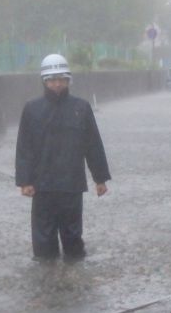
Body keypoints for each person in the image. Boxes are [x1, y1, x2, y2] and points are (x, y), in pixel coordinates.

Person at [16, 54, 111, 262]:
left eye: (61, 79)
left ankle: (74, 273)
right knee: (43, 241)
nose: (57, 84)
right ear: (44, 81)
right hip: (42, 185)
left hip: (72, 184)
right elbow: (24, 148)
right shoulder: (32, 109)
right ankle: (46, 277)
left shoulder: (81, 108)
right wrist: (25, 181)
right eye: (52, 80)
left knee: (73, 236)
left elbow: (93, 145)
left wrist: (100, 179)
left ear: (68, 80)